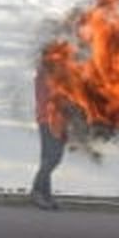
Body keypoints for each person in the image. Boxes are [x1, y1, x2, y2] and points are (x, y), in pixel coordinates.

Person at [30, 54, 67, 211]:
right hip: (51, 120)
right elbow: (59, 95)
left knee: (47, 158)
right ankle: (37, 191)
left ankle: (46, 196)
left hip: (47, 119)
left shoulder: (42, 73)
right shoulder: (48, 75)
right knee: (54, 157)